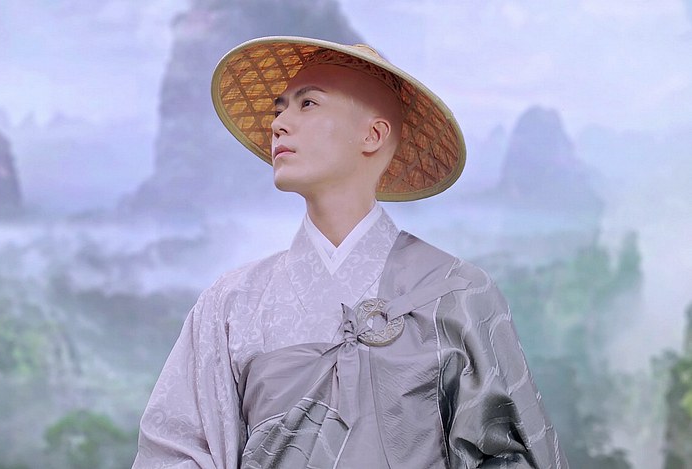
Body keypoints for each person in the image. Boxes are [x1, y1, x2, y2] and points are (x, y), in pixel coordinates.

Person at [133, 36, 567, 468]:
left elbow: (512, 454)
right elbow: (175, 452)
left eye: (307, 104)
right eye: (279, 109)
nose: (279, 124)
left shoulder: (456, 294)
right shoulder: (231, 304)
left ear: (372, 135)